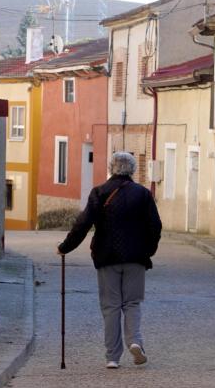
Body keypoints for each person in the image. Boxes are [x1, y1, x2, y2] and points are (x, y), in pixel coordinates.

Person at [57, 151, 162, 369]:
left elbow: (83, 224)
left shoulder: (100, 192)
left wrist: (65, 247)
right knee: (132, 302)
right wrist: (148, 251)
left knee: (111, 306)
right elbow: (155, 226)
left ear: (111, 168)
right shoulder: (142, 194)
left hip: (107, 257)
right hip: (136, 258)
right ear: (132, 170)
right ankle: (135, 341)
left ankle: (112, 357)